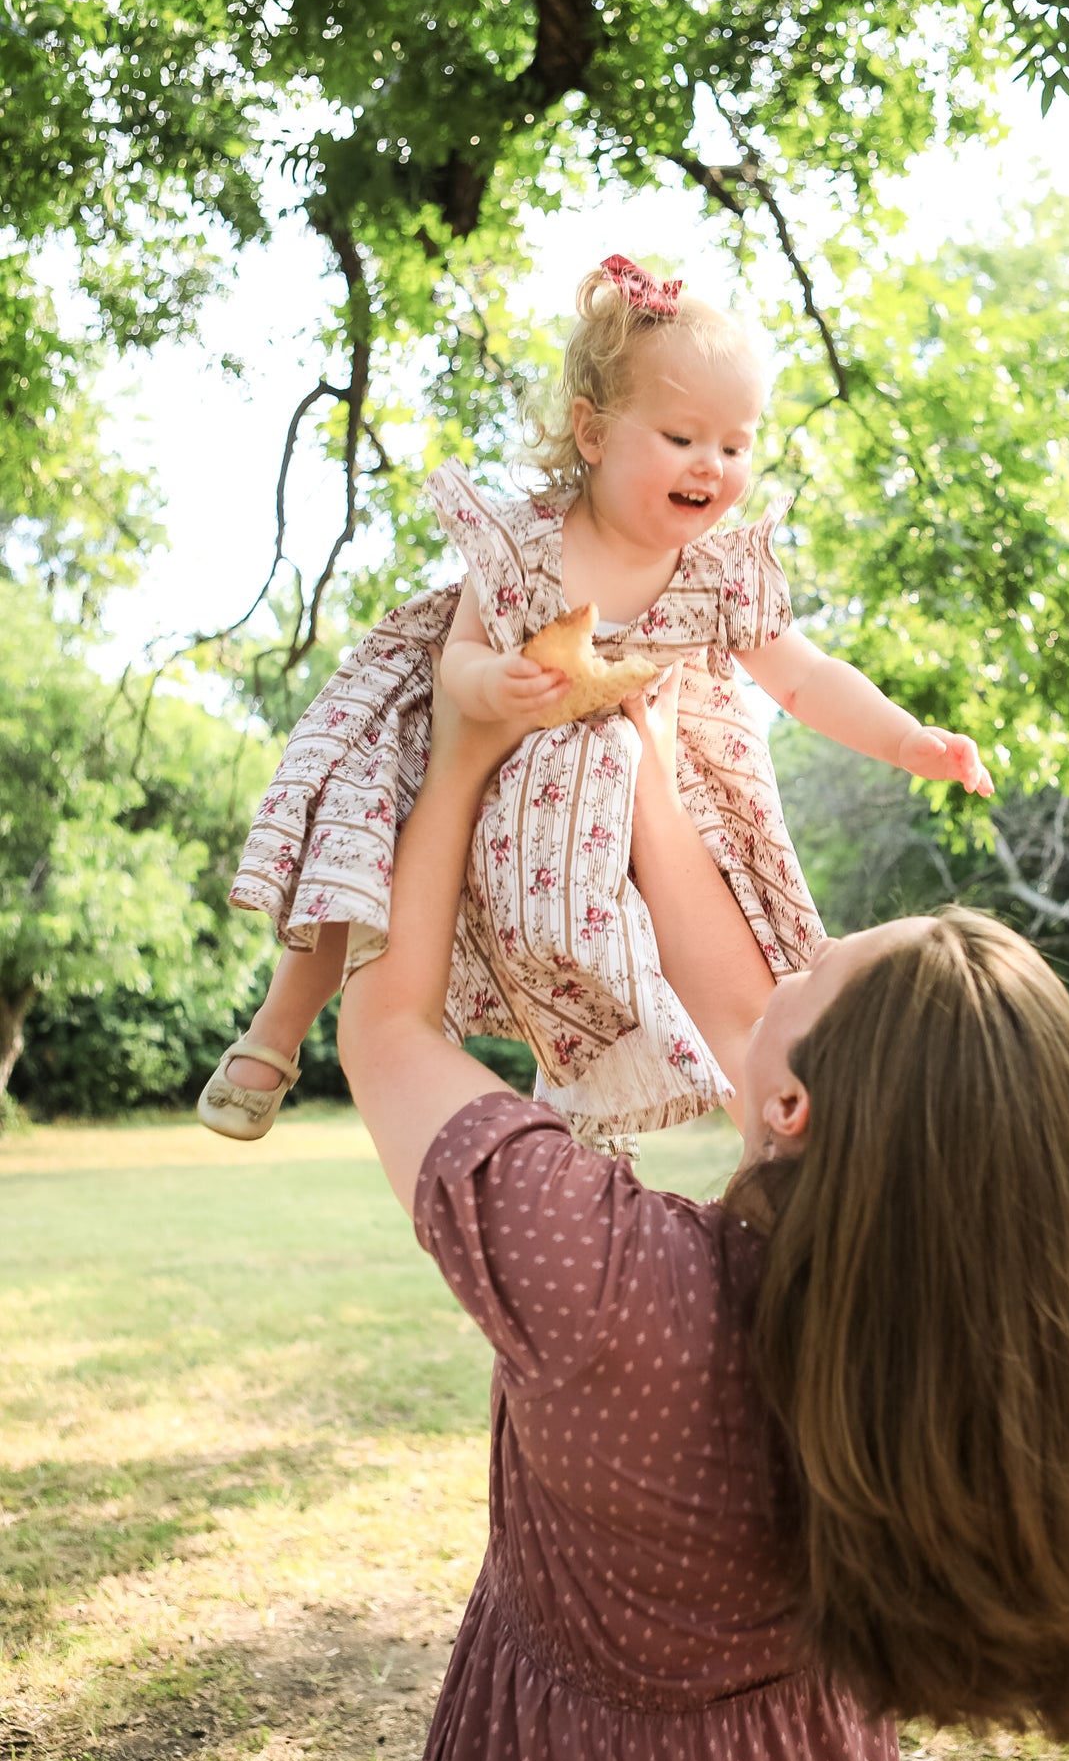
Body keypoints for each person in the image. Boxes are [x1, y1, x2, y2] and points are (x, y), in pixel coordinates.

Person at [336, 665, 1069, 1761]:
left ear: (788, 1109)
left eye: (818, 964)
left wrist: (461, 752)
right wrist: (645, 749)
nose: (785, 964)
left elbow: (383, 1024)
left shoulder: (600, 1278)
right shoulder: (936, 1353)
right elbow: (751, 1017)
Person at [199, 253, 993, 1151]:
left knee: (693, 917)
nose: (713, 465)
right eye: (683, 437)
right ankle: (276, 1030)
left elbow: (806, 679)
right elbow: (459, 653)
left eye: (735, 445)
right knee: (363, 849)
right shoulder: (529, 543)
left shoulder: (717, 575)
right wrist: (489, 684)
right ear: (592, 434)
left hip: (618, 783)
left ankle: (617, 1103)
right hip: (483, 737)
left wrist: (906, 741)